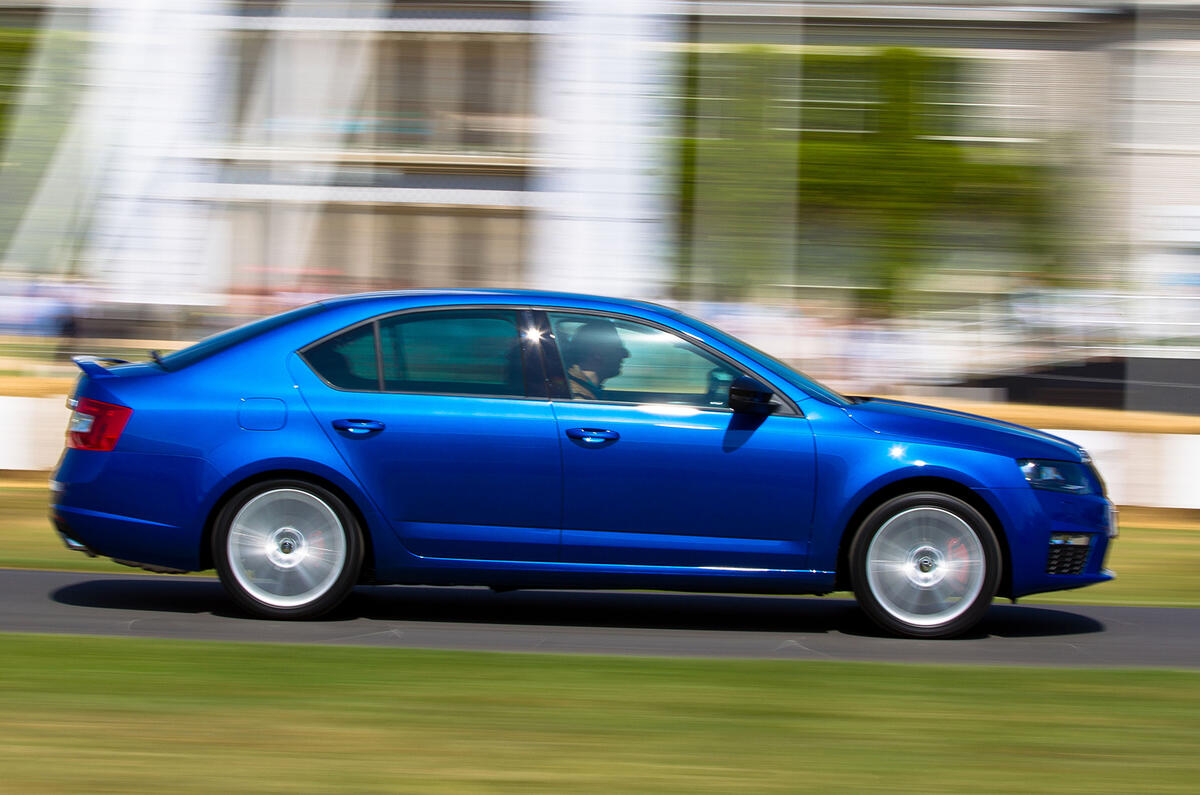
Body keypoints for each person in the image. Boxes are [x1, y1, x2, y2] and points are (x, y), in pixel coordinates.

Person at [565, 319, 630, 400]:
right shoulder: (579, 398)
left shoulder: (584, 390)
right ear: (597, 353)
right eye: (618, 349)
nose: (626, 355)